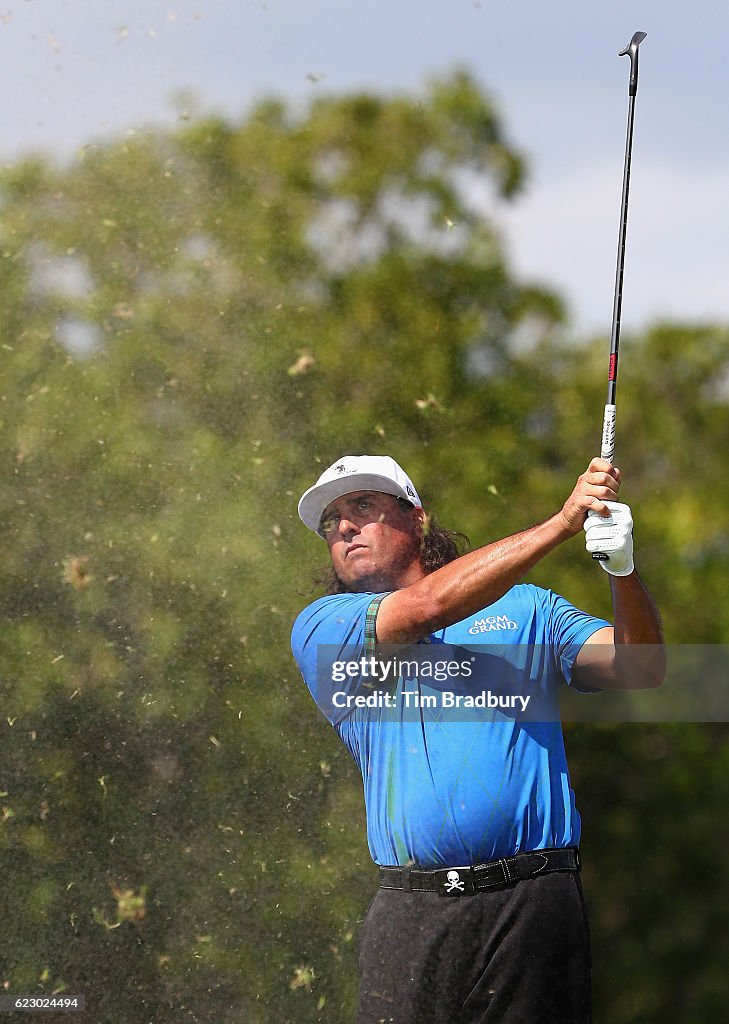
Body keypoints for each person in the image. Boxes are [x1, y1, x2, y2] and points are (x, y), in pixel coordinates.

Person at [290, 453, 665, 1024]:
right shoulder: (323, 626)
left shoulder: (527, 609)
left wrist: (622, 567)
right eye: (331, 521)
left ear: (416, 518)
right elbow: (427, 606)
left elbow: (640, 669)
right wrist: (562, 524)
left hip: (533, 905)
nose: (343, 527)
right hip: (411, 911)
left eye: (363, 506)